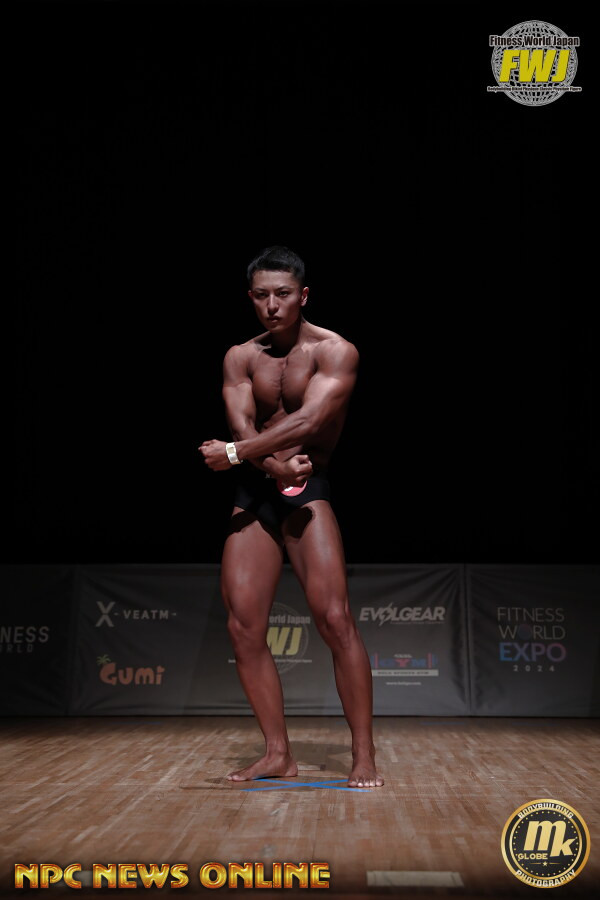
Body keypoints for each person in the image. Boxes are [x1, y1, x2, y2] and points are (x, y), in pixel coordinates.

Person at [199, 246, 383, 788]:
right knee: (243, 626)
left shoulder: (335, 350)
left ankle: (364, 754)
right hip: (257, 489)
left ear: (303, 295)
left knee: (334, 619)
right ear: (250, 298)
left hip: (307, 489)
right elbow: (242, 423)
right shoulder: (240, 357)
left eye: (283, 294)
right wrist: (270, 464)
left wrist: (237, 454)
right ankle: (277, 753)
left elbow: (310, 420)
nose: (272, 305)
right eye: (261, 296)